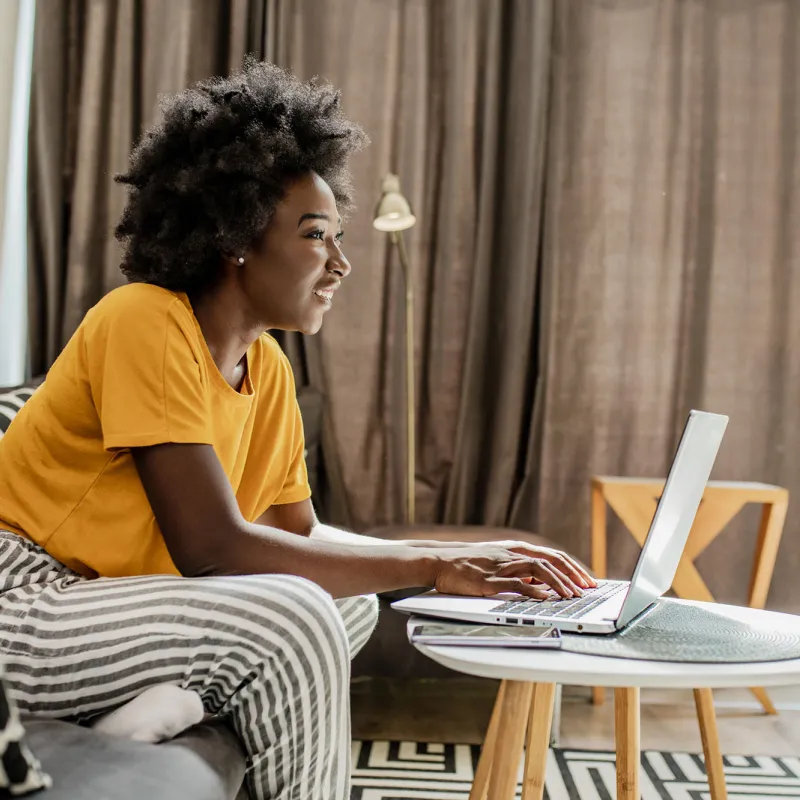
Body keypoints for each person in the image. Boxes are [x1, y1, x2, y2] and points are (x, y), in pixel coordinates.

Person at [0, 60, 594, 800]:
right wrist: (434, 565)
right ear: (236, 237)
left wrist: (462, 558)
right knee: (295, 618)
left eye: (339, 237)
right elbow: (213, 548)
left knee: (340, 601)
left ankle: (154, 705)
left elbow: (300, 536)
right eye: (317, 235)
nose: (341, 262)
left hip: (110, 605)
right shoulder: (143, 321)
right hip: (22, 602)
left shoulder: (269, 369)